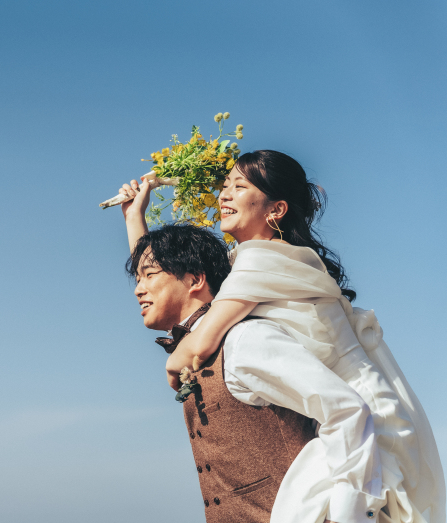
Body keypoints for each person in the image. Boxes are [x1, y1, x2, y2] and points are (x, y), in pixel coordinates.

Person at [118, 150, 444, 523]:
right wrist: (134, 220)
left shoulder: (258, 264)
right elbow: (178, 289)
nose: (224, 196)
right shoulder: (251, 260)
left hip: (363, 421)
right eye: (224, 187)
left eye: (238, 188)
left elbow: (198, 337)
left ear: (276, 210)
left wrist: (176, 362)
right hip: (348, 415)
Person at [126, 223, 383, 523]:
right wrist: (134, 216)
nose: (138, 289)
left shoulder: (245, 339)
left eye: (149, 275)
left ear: (195, 278)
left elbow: (347, 410)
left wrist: (349, 516)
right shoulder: (198, 352)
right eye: (137, 278)